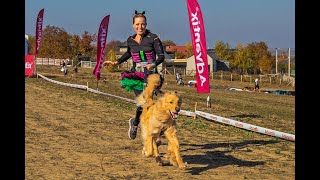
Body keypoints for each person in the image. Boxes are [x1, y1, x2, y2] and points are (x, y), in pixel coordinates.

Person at [103, 10, 165, 140]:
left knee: (149, 103)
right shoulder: (130, 40)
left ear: (146, 24)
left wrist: (153, 64)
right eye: (137, 24)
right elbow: (129, 53)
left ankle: (147, 125)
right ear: (133, 25)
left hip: (151, 76)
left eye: (142, 24)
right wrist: (116, 62)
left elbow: (161, 56)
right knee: (144, 103)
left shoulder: (153, 38)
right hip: (136, 76)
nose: (140, 27)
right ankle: (138, 124)